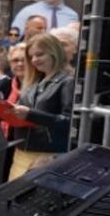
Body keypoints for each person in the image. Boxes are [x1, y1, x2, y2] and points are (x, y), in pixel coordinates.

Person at [10, 34, 73, 179]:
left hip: (46, 155)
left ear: (54, 52)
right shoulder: (34, 81)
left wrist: (30, 114)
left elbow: (69, 122)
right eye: (31, 57)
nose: (34, 60)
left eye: (39, 54)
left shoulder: (67, 82)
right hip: (21, 152)